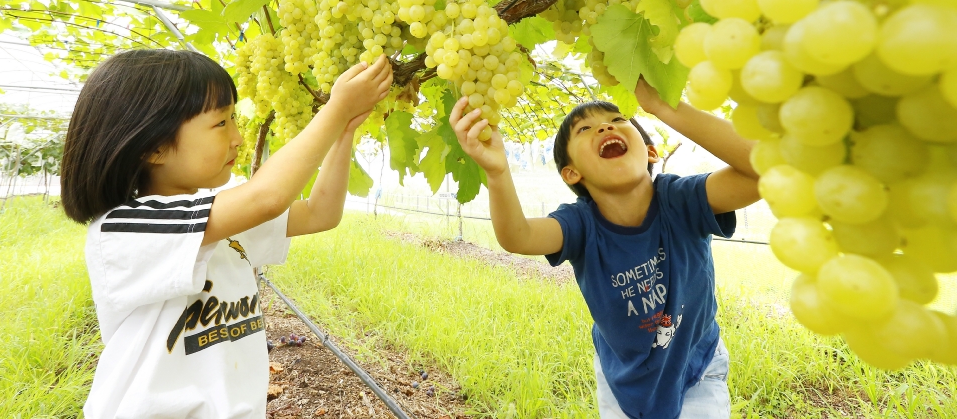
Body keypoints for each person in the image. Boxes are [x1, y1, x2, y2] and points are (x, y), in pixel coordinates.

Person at [60, 49, 392, 418]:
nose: (237, 137)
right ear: (154, 146)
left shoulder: (221, 212)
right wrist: (335, 110)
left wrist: (344, 131)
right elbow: (267, 197)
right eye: (221, 123)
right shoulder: (124, 228)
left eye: (234, 119)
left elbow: (319, 213)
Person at [449, 78, 760, 419]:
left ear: (651, 151)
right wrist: (497, 172)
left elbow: (761, 169)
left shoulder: (681, 201)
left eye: (618, 120)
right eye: (584, 129)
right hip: (622, 380)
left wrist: (662, 106)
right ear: (571, 174)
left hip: (696, 367)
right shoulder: (580, 225)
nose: (604, 127)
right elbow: (518, 237)